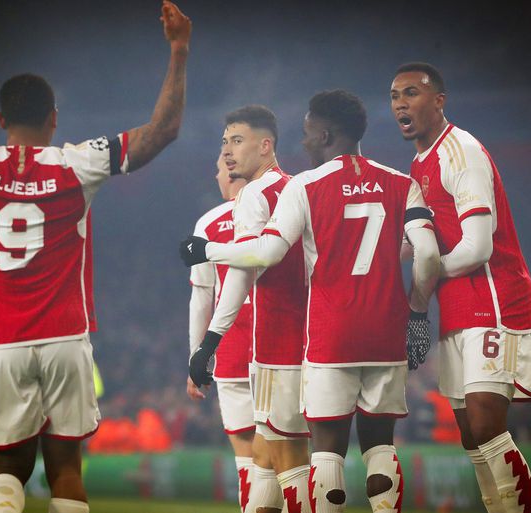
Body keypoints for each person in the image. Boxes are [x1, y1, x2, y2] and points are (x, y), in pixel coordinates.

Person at [0, 4, 191, 513]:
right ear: (54, 120)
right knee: (66, 472)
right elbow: (161, 130)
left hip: (2, 345)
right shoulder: (76, 163)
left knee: (5, 474)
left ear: (0, 120)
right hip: (65, 341)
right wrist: (179, 49)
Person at [181, 90, 440, 512]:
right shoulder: (400, 182)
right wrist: (417, 311)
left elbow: (262, 256)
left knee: (313, 454)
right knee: (370, 448)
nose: (302, 142)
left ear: (324, 135)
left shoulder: (301, 187)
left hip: (314, 340)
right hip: (383, 335)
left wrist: (207, 254)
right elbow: (424, 252)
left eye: (306, 133)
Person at [390, 62, 531, 513]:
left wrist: (424, 282)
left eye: (412, 93)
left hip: (494, 300)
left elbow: (477, 247)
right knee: (471, 436)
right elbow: (415, 245)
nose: (400, 103)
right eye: (395, 96)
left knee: (486, 424)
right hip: (456, 308)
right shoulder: (419, 163)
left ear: (439, 100)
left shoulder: (462, 151)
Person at [182, 105, 310, 513]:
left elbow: (220, 288)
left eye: (235, 143)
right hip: (305, 340)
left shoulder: (231, 210)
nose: (227, 156)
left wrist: (204, 346)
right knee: (274, 457)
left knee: (267, 459)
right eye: (225, 144)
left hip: (260, 345)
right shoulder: (302, 188)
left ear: (265, 145)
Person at [186, 155, 259, 512]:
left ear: (230, 173)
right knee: (289, 452)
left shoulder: (209, 223)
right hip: (283, 348)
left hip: (232, 350)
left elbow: (202, 297)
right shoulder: (282, 210)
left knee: (247, 456)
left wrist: (196, 358)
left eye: (217, 170)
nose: (216, 176)